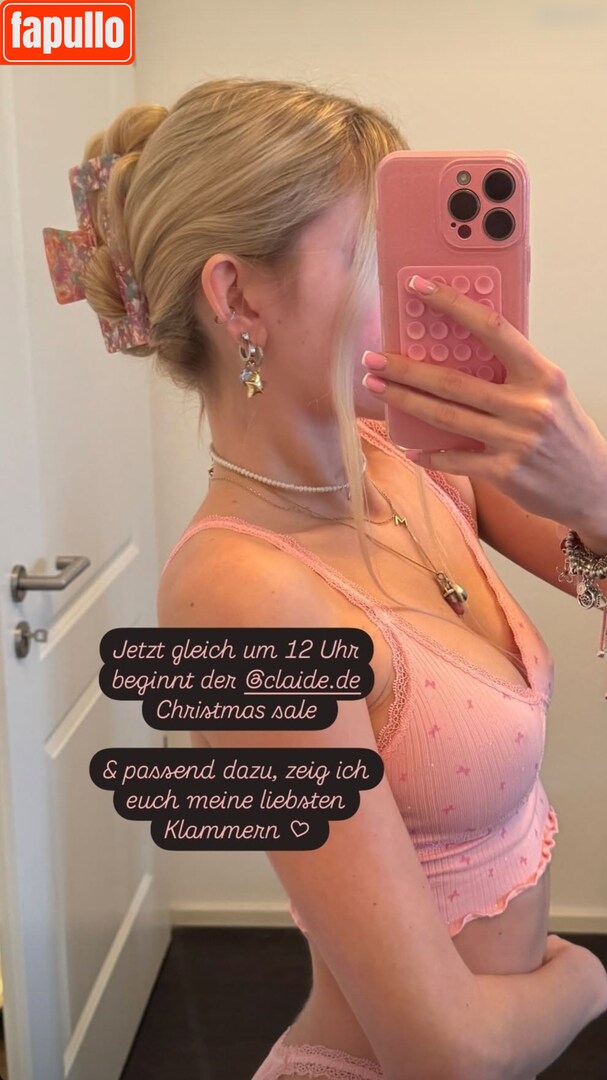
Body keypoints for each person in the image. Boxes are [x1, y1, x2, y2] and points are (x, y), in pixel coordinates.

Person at [45, 77, 607, 1080]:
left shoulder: (410, 457)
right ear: (238, 297)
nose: (418, 291)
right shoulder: (234, 605)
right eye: (372, 255)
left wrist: (596, 499)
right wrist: (589, 978)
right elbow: (442, 1053)